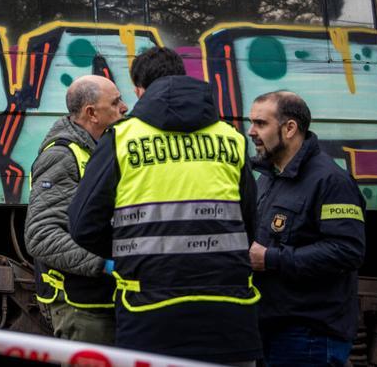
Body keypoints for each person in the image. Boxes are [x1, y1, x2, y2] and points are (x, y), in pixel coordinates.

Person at [68, 47, 261, 365]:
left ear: (140, 90)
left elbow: (83, 226)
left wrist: (138, 248)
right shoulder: (232, 138)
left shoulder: (121, 139)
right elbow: (249, 222)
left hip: (150, 318)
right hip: (230, 319)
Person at [247, 91, 365, 367]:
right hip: (273, 329)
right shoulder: (270, 178)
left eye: (261, 123)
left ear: (289, 128)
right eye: (251, 122)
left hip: (309, 336)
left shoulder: (331, 181)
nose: (251, 131)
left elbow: (347, 250)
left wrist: (271, 259)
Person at [25, 75, 128, 345]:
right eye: (116, 102)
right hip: (80, 306)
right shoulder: (62, 156)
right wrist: (104, 266)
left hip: (101, 299)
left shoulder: (99, 148)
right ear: (91, 113)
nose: (125, 107)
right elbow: (41, 236)